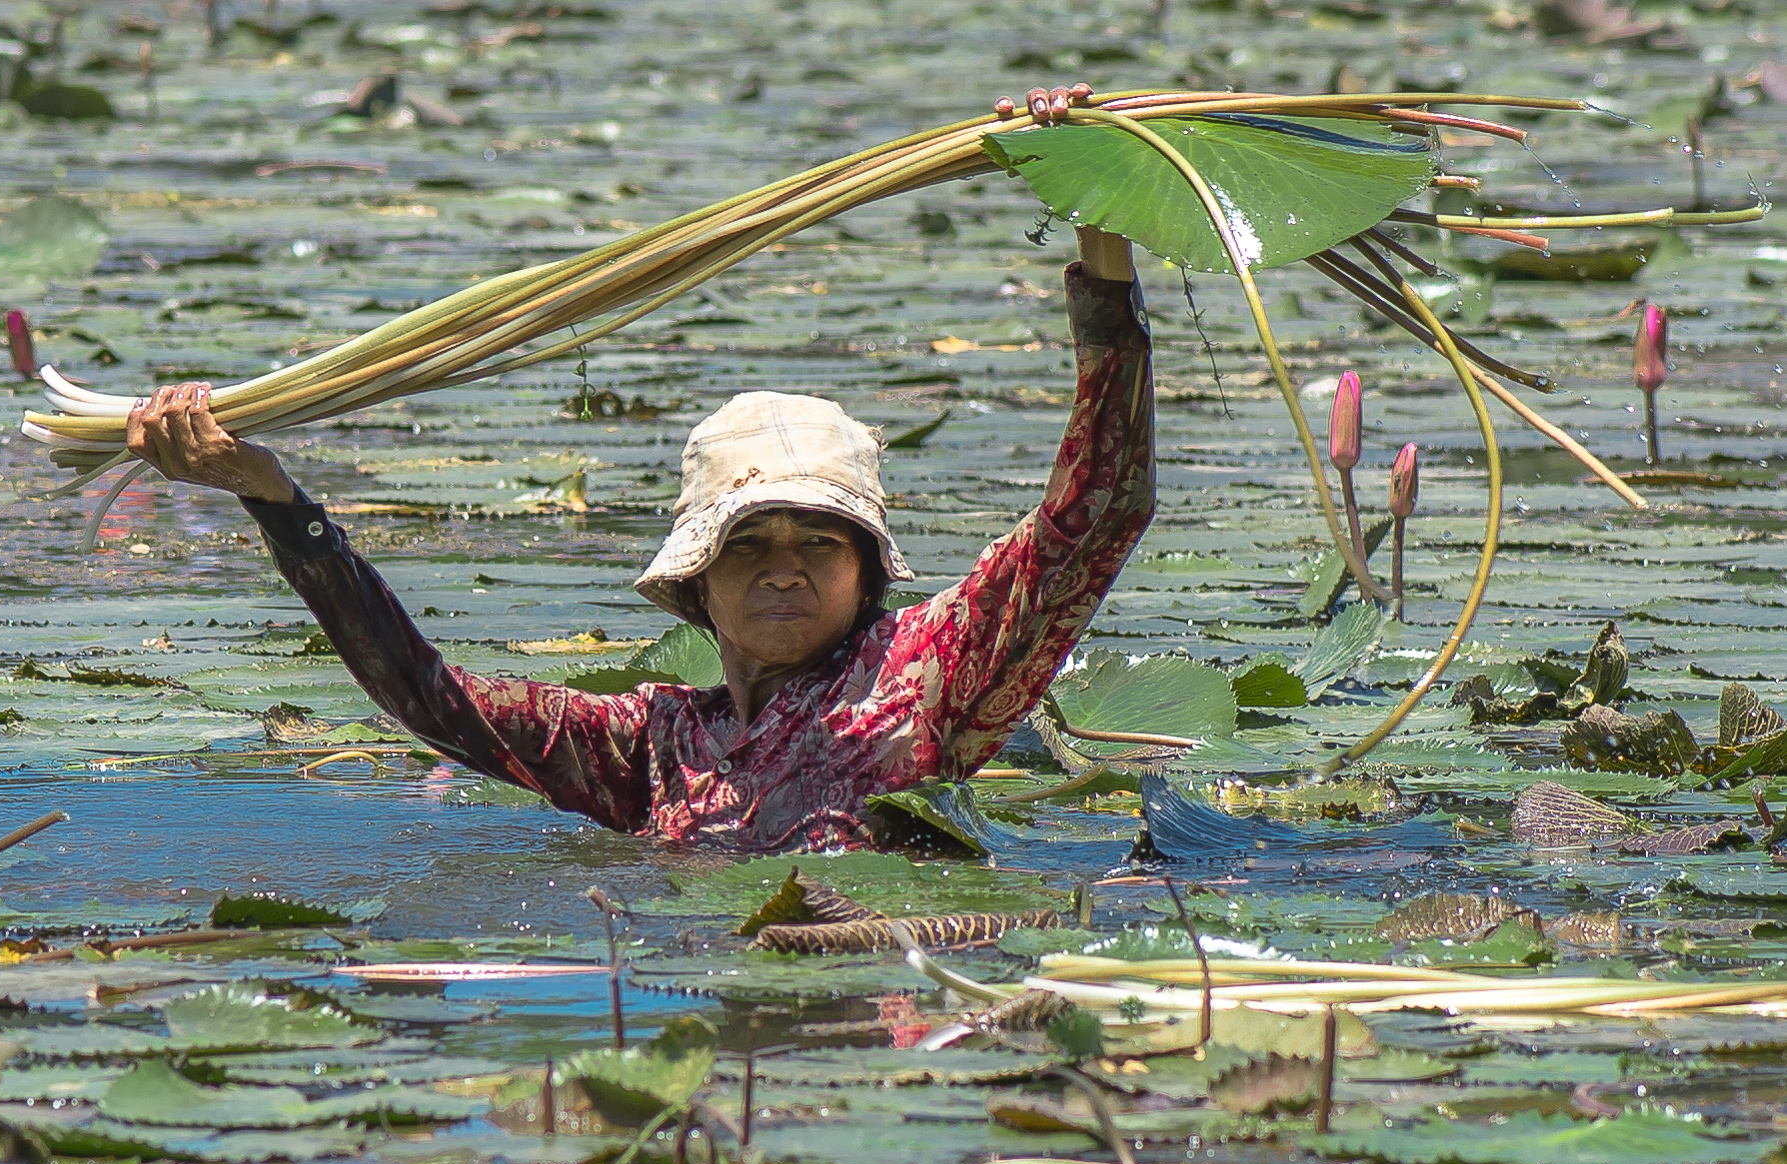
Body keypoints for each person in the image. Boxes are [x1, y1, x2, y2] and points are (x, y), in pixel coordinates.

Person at [126, 86, 1152, 853]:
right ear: (698, 579)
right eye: (747, 544)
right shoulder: (651, 745)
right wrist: (278, 503)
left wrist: (1098, 214)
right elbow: (432, 699)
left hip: (882, 1009)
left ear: (863, 570)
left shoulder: (927, 675)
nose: (783, 567)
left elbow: (1094, 518)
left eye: (816, 542)